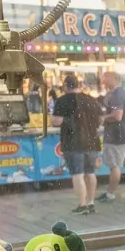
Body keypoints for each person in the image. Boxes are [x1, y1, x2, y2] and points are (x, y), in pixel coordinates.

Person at [51, 72, 103, 215]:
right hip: (92, 141)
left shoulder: (62, 101)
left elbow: (56, 121)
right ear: (79, 85)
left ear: (66, 86)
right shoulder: (91, 100)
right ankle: (91, 203)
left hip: (73, 142)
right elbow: (100, 120)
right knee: (90, 173)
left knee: (77, 174)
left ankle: (82, 205)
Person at [97, 71, 125, 202]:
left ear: (114, 79)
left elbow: (117, 116)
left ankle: (110, 194)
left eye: (106, 77)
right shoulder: (121, 92)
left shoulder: (117, 94)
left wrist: (103, 118)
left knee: (115, 166)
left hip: (117, 137)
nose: (103, 80)